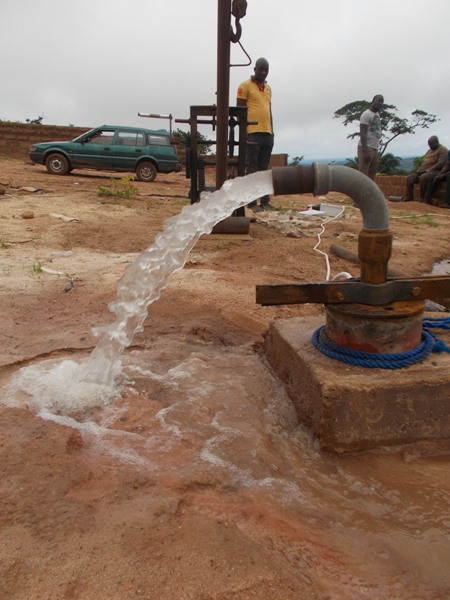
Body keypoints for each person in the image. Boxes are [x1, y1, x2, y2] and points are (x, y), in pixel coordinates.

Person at [237, 57, 275, 212]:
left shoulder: (269, 89)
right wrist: (244, 133)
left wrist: (272, 132)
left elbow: (269, 111)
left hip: (267, 133)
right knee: (252, 170)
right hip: (252, 133)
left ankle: (265, 201)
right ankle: (251, 203)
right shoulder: (245, 86)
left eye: (266, 70)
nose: (264, 72)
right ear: (255, 69)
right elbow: (239, 112)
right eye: (261, 69)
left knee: (264, 170)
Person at [403, 136, 448, 202]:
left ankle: (423, 198)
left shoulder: (443, 150)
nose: (430, 146)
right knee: (409, 178)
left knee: (423, 177)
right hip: (422, 171)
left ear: (436, 142)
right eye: (429, 145)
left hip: (435, 171)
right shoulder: (429, 151)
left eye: (431, 144)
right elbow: (424, 162)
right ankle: (409, 197)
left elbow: (440, 164)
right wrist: (419, 170)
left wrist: (428, 170)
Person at [358, 94, 384, 180]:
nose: (380, 103)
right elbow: (362, 133)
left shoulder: (377, 114)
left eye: (382, 102)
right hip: (367, 147)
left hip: (375, 148)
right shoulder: (366, 114)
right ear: (373, 101)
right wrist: (365, 151)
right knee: (363, 176)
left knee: (372, 176)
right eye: (378, 101)